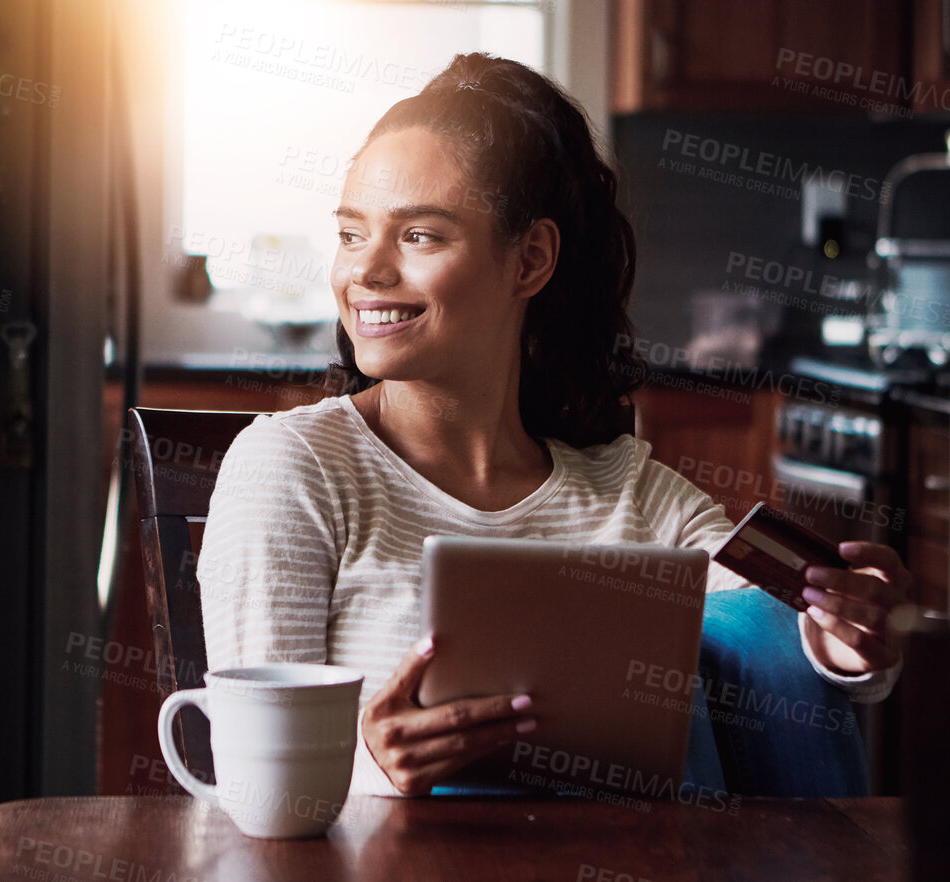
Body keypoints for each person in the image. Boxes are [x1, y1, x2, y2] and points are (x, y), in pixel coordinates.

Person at [195, 52, 911, 798]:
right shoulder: (295, 466)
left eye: (419, 236)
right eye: (351, 234)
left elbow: (779, 640)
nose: (366, 271)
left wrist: (843, 634)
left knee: (749, 630)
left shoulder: (629, 491)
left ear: (530, 259)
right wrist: (375, 765)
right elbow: (251, 782)